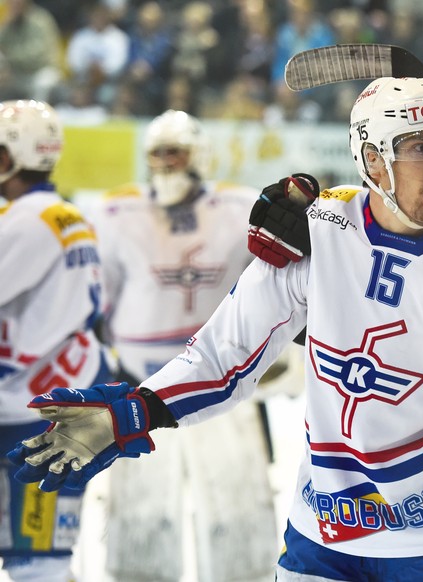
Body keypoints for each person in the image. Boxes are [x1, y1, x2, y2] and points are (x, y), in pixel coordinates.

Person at [8, 78, 423, 582]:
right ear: (371, 159)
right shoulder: (319, 227)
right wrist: (135, 409)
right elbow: (225, 355)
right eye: (420, 147)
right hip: (322, 530)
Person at [86, 109, 278, 582]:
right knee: (141, 525)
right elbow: (100, 299)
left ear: (199, 155)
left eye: (176, 152)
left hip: (225, 385)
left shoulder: (241, 206)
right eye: (158, 154)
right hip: (140, 384)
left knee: (238, 519)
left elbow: (276, 284)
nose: (167, 163)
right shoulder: (115, 212)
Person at [0, 100, 112, 582]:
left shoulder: (26, 221)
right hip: (62, 395)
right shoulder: (66, 214)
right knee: (39, 558)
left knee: (36, 564)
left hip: (33, 410)